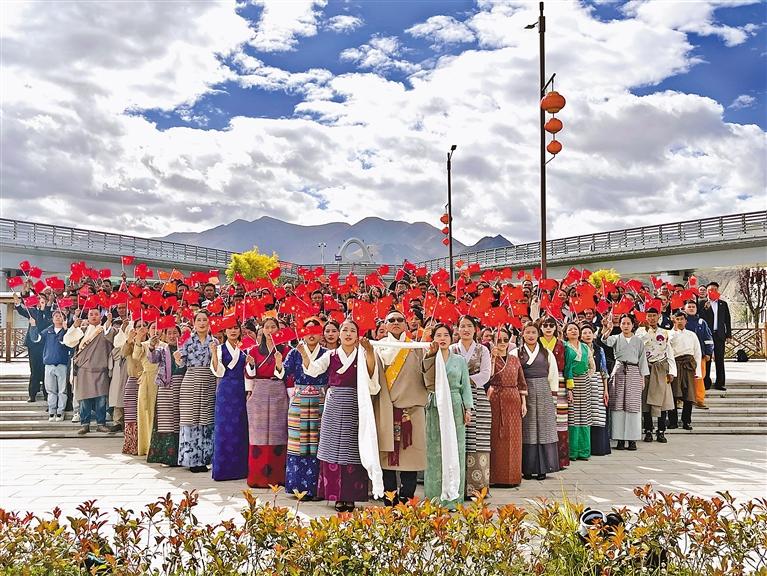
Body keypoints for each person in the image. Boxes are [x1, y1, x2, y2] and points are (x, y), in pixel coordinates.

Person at [301, 320, 378, 512]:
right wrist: (303, 354)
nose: (348, 334)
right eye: (345, 330)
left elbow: (371, 375)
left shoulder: (363, 353)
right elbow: (313, 370)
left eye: (353, 330)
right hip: (334, 402)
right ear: (339, 334)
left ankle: (350, 496)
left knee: (352, 448)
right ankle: (336, 495)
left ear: (358, 335)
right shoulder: (331, 355)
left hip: (355, 402)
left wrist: (369, 352)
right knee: (332, 447)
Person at [373, 310, 429, 506]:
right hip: (387, 410)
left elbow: (429, 378)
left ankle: (407, 497)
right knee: (386, 456)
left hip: (412, 410)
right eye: (391, 320)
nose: (395, 323)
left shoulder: (417, 347)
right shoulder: (377, 349)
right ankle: (390, 497)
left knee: (411, 457)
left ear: (406, 324)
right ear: (385, 325)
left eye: (399, 320)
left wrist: (433, 354)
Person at [422, 324, 473, 510]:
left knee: (456, 449)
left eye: (445, 335)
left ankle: (454, 498)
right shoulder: (428, 357)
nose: (442, 338)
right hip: (434, 404)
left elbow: (466, 385)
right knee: (434, 450)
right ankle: (434, 497)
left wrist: (468, 409)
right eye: (438, 335)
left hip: (454, 403)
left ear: (452, 338)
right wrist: (429, 357)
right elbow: (423, 380)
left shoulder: (459, 361)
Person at [282, 318, 327, 499]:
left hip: (320, 400)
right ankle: (296, 485)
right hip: (299, 399)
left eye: (315, 330)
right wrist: (278, 363)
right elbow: (283, 373)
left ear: (320, 333)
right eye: (307, 330)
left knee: (318, 444)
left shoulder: (326, 354)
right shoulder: (294, 353)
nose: (311, 334)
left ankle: (316, 487)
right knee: (297, 443)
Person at [512, 322, 560, 480]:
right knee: (528, 429)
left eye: (534, 332)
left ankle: (543, 469)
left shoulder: (547, 353)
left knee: (544, 429)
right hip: (524, 392)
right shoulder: (515, 353)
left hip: (544, 391)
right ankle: (527, 468)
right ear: (523, 334)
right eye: (528, 332)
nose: (531, 335)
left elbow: (552, 375)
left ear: (538, 334)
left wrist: (553, 395)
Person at [450, 315, 491, 498]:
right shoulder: (451, 349)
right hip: (455, 397)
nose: (465, 329)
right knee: (457, 440)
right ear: (457, 329)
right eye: (462, 326)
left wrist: (463, 381)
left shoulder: (483, 350)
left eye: (469, 326)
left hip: (477, 398)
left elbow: (485, 375)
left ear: (476, 329)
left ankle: (477, 488)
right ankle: (456, 487)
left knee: (477, 441)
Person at [246, 317, 290, 488]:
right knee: (258, 433)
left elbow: (287, 375)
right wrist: (250, 365)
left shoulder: (286, 350)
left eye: (274, 327)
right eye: (267, 327)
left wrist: (279, 364)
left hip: (278, 390)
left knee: (278, 432)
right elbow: (249, 374)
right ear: (262, 330)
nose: (270, 330)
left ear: (279, 329)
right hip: (259, 391)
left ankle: (278, 477)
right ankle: (257, 477)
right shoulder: (255, 350)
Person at [174, 311, 217, 472]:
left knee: (206, 419)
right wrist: (177, 358)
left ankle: (205, 459)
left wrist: (214, 353)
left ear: (209, 322)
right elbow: (180, 364)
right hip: (191, 378)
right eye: (198, 320)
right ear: (193, 322)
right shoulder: (187, 341)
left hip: (208, 379)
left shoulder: (215, 342)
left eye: (205, 319)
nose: (202, 323)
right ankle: (191, 459)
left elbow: (217, 366)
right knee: (190, 418)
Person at [63, 308, 116, 435]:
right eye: (91, 314)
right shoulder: (83, 330)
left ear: (101, 316)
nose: (93, 316)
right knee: (84, 399)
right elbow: (68, 342)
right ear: (87, 316)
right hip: (84, 369)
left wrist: (108, 323)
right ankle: (85, 424)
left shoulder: (106, 330)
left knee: (101, 399)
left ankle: (101, 424)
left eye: (96, 314)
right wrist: (74, 327)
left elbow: (113, 338)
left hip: (101, 369)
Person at [600, 314, 649, 451]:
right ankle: (619, 439)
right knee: (618, 405)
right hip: (620, 369)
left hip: (634, 371)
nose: (626, 326)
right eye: (623, 323)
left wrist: (642, 378)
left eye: (628, 323)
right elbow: (604, 340)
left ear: (633, 325)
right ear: (620, 325)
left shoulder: (638, 341)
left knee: (633, 406)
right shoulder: (616, 338)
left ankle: (632, 439)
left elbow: (642, 360)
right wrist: (607, 328)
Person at [210, 324, 251, 481]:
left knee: (241, 427)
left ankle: (241, 469)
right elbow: (218, 371)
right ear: (225, 331)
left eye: (235, 328)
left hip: (242, 389)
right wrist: (214, 353)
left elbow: (250, 371)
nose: (233, 331)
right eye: (230, 328)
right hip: (226, 390)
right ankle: (223, 470)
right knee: (224, 428)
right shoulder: (220, 349)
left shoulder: (245, 348)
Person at [487, 327, 527, 487]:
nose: (502, 343)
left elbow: (521, 381)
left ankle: (512, 477)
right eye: (499, 340)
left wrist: (523, 403)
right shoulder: (490, 357)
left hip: (513, 398)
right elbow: (487, 377)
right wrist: (491, 359)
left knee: (514, 438)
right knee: (495, 437)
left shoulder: (515, 359)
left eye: (505, 339)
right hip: (495, 398)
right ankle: (495, 476)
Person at [635, 308, 676, 443]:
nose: (652, 318)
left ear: (658, 316)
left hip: (660, 367)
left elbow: (669, 351)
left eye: (654, 316)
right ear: (646, 317)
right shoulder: (640, 332)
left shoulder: (664, 332)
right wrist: (647, 331)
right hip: (646, 367)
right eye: (649, 316)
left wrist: (672, 371)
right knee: (646, 401)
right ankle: (648, 430)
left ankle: (661, 430)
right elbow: (638, 348)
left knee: (661, 400)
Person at [147, 325, 184, 466]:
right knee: (166, 421)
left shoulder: (185, 349)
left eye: (175, 332)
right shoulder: (162, 350)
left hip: (182, 386)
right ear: (164, 335)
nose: (172, 335)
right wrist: (151, 345)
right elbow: (152, 359)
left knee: (180, 419)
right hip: (166, 388)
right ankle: (167, 456)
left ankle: (181, 455)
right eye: (169, 333)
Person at [28, 310, 72, 421]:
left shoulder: (67, 332)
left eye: (60, 316)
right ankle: (52, 411)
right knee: (51, 390)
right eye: (56, 316)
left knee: (62, 390)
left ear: (64, 319)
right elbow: (35, 339)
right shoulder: (47, 331)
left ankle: (60, 411)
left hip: (62, 364)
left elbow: (66, 343)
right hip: (49, 364)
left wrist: (66, 330)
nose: (58, 318)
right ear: (52, 319)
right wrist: (33, 326)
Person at [540, 318, 569, 469]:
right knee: (543, 421)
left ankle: (561, 459)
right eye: (545, 325)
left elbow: (569, 365)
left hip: (560, 382)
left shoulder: (562, 344)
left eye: (552, 325)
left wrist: (570, 386)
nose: (549, 328)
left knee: (561, 422)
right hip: (540, 382)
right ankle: (544, 459)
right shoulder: (536, 344)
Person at [564, 322, 594, 461]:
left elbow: (592, 365)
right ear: (566, 333)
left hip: (584, 382)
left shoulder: (585, 347)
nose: (574, 331)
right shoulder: (564, 347)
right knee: (573, 416)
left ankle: (584, 451)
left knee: (585, 415)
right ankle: (572, 451)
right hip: (571, 382)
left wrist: (587, 376)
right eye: (570, 329)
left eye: (576, 329)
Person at [14, 292, 52, 403]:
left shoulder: (49, 312)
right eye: (39, 299)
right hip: (33, 345)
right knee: (34, 369)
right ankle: (32, 394)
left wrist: (44, 309)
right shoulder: (32, 311)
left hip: (45, 344)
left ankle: (46, 394)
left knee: (45, 369)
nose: (40, 300)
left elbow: (45, 323)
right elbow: (21, 311)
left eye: (42, 299)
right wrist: (17, 304)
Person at [668, 311, 702, 431]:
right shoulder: (669, 335)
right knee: (673, 394)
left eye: (682, 319)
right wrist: (670, 370)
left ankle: (686, 421)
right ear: (674, 320)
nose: (680, 321)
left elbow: (697, 353)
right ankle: (672, 421)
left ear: (686, 321)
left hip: (688, 365)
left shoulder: (692, 335)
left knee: (689, 394)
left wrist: (698, 371)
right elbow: (668, 352)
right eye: (678, 319)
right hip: (675, 364)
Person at [581, 325, 610, 456]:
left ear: (594, 334)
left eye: (590, 332)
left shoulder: (599, 350)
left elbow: (604, 370)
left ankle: (598, 447)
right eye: (584, 333)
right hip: (582, 381)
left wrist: (606, 390)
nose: (587, 335)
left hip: (598, 381)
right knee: (585, 414)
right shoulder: (579, 349)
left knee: (598, 414)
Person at [699, 282, 731, 391]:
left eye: (715, 289)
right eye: (710, 289)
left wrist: (728, 334)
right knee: (706, 358)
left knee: (719, 359)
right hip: (707, 335)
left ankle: (720, 383)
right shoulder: (702, 303)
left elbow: (727, 320)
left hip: (719, 334)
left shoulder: (723, 304)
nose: (713, 291)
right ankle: (706, 381)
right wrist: (704, 308)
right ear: (707, 291)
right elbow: (699, 318)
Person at [121, 321, 146, 455]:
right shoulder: (129, 343)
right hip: (132, 379)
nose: (141, 329)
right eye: (138, 326)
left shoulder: (148, 343)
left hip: (146, 379)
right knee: (131, 413)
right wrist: (130, 340)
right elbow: (123, 353)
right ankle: (131, 444)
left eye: (144, 326)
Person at [136, 322, 160, 457]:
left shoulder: (164, 345)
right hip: (146, 380)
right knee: (145, 411)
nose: (156, 330)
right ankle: (146, 445)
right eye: (153, 328)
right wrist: (139, 338)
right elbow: (135, 355)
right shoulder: (144, 345)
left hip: (161, 380)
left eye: (158, 328)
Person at [684, 300, 714, 408]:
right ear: (685, 308)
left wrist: (709, 352)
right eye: (689, 306)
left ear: (696, 309)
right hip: (683, 356)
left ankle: (699, 400)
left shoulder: (701, 322)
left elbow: (708, 338)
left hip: (699, 356)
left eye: (693, 307)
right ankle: (682, 400)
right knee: (683, 379)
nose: (691, 308)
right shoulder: (680, 321)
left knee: (699, 378)